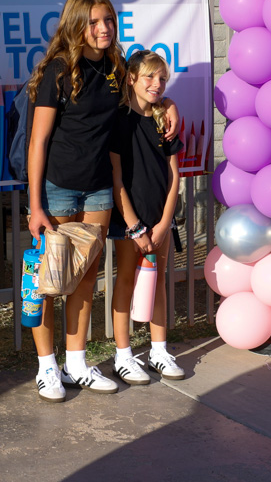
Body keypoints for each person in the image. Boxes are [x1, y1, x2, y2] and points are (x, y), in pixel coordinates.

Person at [26, 0, 178, 402]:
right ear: (77, 24)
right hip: (57, 190)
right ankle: (47, 368)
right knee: (46, 281)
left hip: (98, 189)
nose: (104, 28)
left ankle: (76, 363)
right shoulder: (59, 71)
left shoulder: (114, 68)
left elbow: (146, 84)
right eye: (94, 21)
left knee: (85, 279)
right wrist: (35, 204)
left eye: (108, 20)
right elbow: (37, 142)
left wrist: (169, 103)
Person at [108, 50, 185, 384]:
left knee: (158, 282)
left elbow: (174, 174)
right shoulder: (119, 120)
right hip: (131, 220)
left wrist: (165, 221)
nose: (157, 84)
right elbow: (116, 178)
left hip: (158, 218)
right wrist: (135, 225)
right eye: (150, 77)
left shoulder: (163, 121)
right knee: (126, 279)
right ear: (132, 78)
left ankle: (158, 350)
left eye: (163, 78)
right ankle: (123, 356)